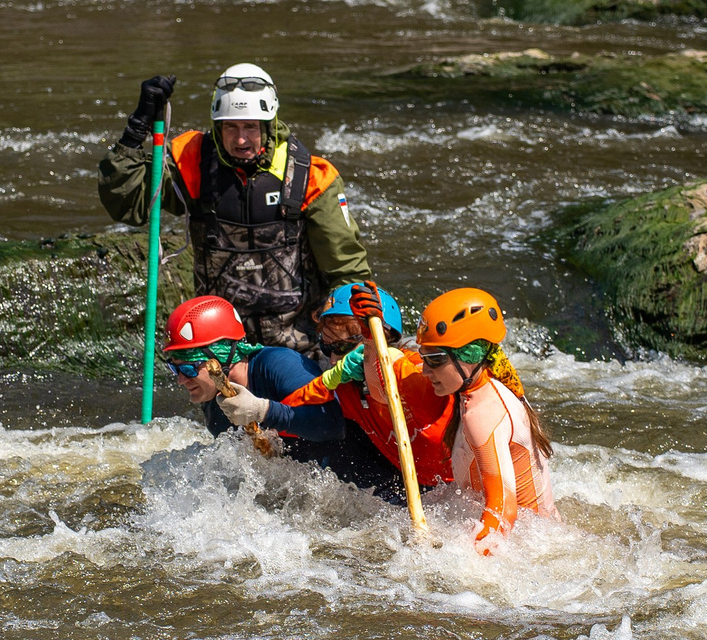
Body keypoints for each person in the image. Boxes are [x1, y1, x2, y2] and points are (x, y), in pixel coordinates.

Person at [100, 64, 371, 353]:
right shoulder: (192, 164)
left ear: (268, 125)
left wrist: (345, 343)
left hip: (298, 346)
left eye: (250, 127)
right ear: (218, 127)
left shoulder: (312, 178)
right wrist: (135, 130)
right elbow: (128, 204)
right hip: (219, 346)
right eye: (231, 126)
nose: (241, 139)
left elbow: (346, 270)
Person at [278, 281, 451, 503]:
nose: (332, 359)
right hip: (413, 484)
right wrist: (326, 382)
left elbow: (381, 374)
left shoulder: (419, 369)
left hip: (458, 484)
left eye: (340, 348)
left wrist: (373, 349)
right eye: (327, 347)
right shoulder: (344, 385)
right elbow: (290, 415)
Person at [416, 288, 557, 549]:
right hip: (538, 538)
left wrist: (465, 562)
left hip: (528, 550)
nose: (425, 370)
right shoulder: (478, 388)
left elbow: (503, 513)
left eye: (434, 360)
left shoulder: (483, 413)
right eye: (424, 357)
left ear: (470, 356)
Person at [157, 295, 346, 453]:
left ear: (223, 359)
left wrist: (263, 411)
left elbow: (333, 425)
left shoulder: (280, 365)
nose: (181, 380)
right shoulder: (212, 400)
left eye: (189, 369)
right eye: (175, 368)